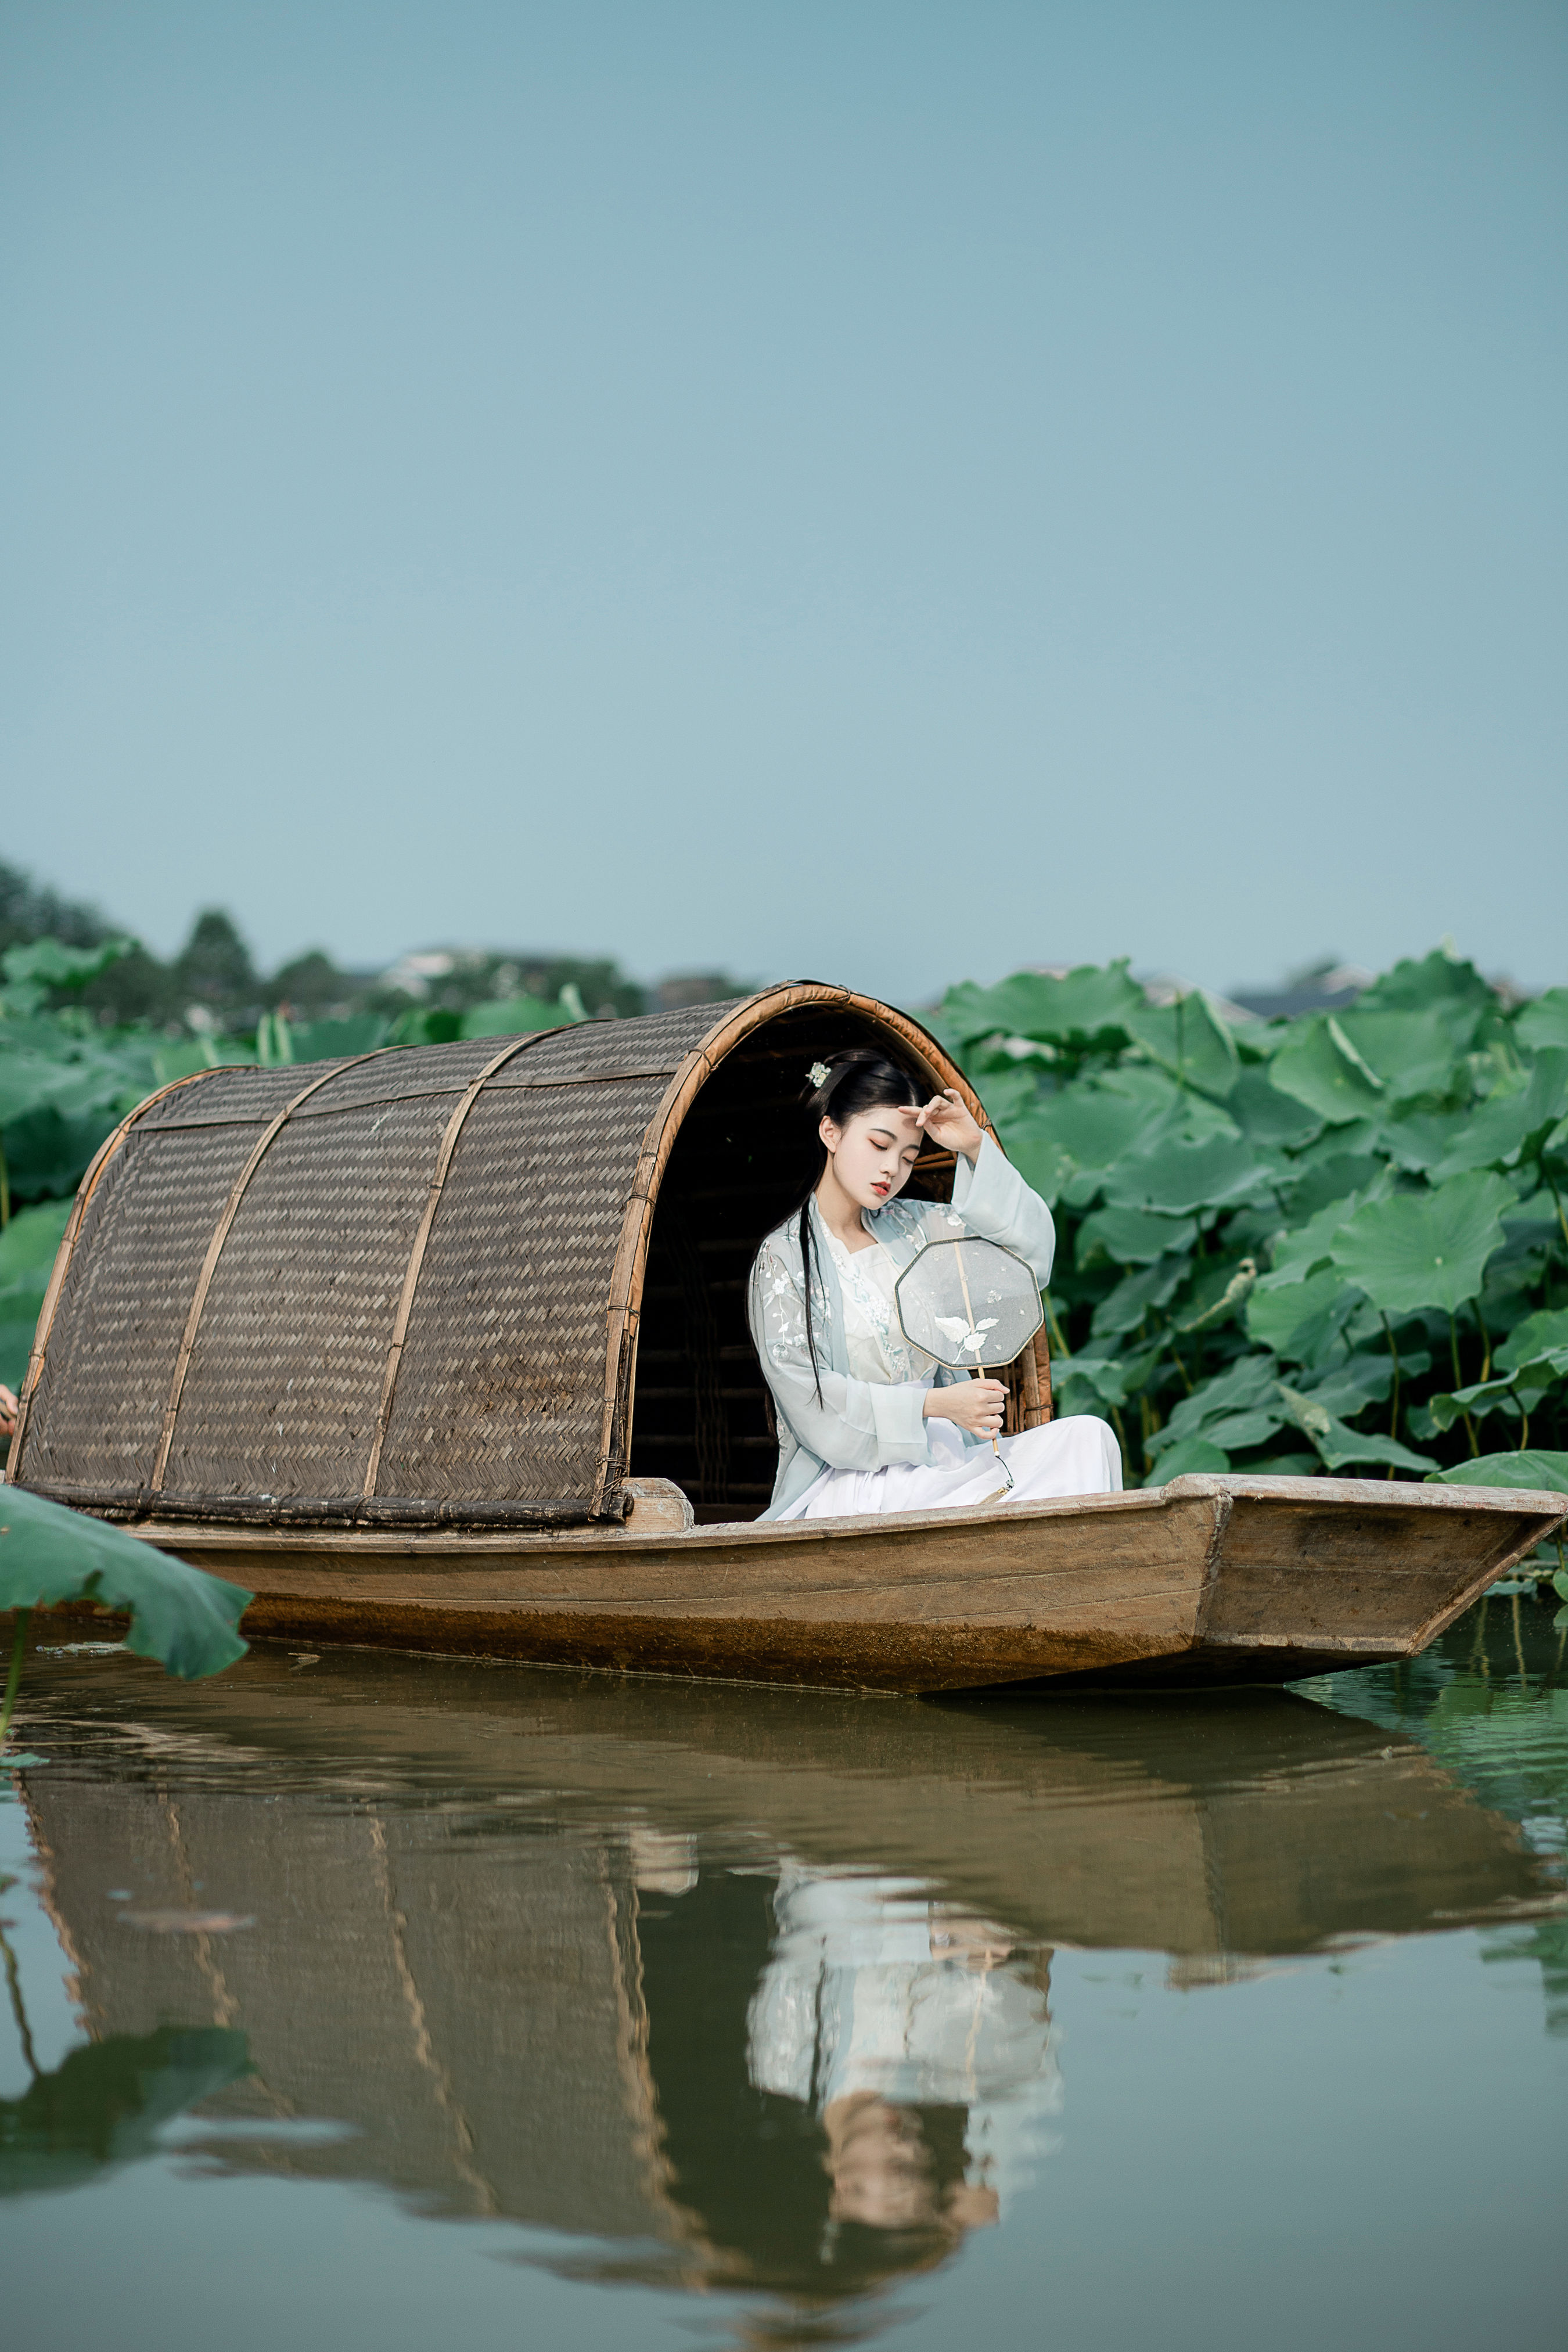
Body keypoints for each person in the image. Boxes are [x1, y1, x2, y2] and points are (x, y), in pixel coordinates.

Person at [747, 1049, 1121, 1520]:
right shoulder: (783, 1260)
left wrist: (974, 1146)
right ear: (832, 1132)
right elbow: (812, 1401)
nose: (892, 1171)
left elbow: (1026, 1264)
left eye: (908, 1157)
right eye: (879, 1145)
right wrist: (935, 1404)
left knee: (1088, 1437)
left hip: (947, 1463)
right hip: (852, 1481)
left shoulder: (919, 1230)